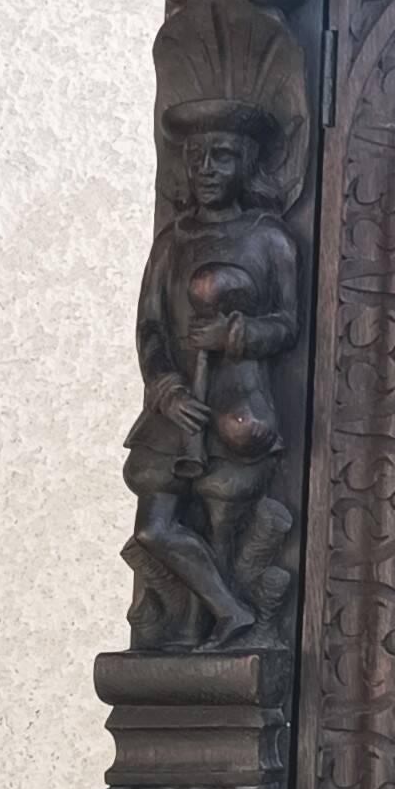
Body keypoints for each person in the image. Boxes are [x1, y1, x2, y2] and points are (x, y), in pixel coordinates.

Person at [124, 96, 301, 646]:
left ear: (245, 164)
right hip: (181, 408)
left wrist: (236, 335)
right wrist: (166, 385)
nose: (205, 170)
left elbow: (288, 323)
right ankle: (223, 611)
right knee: (153, 528)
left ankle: (223, 622)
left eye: (220, 157)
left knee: (227, 523)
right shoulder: (173, 242)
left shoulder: (267, 238)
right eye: (196, 157)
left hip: (236, 403)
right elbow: (151, 325)